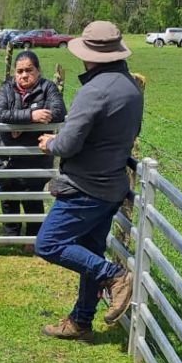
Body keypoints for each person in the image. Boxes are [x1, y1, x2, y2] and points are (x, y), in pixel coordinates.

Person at [35, 20, 143, 342]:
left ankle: (116, 277)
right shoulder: (131, 86)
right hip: (112, 186)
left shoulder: (93, 91)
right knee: (90, 251)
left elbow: (68, 144)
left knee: (48, 243)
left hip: (85, 187)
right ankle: (81, 320)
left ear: (91, 54)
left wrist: (50, 144)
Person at [0, 50, 65, 251]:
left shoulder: (48, 88)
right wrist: (30, 117)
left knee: (32, 195)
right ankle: (11, 236)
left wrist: (18, 124)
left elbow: (58, 112)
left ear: (38, 71)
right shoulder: (7, 88)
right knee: (7, 194)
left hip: (35, 156)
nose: (24, 75)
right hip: (6, 154)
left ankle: (33, 239)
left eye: (29, 70)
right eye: (20, 71)